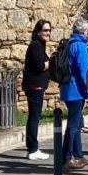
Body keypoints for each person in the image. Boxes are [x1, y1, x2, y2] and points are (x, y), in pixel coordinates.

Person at [60, 17, 88, 169]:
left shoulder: (69, 43)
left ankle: (78, 155)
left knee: (77, 122)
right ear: (84, 31)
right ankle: (66, 158)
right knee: (73, 125)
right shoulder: (79, 46)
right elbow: (83, 72)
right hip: (76, 90)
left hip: (68, 88)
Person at [22, 18, 54, 160]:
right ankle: (33, 149)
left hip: (37, 85)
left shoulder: (40, 45)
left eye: (49, 30)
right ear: (38, 32)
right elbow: (39, 66)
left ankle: (32, 148)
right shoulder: (36, 45)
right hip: (34, 86)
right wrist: (52, 62)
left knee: (34, 117)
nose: (48, 33)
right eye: (45, 30)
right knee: (34, 117)